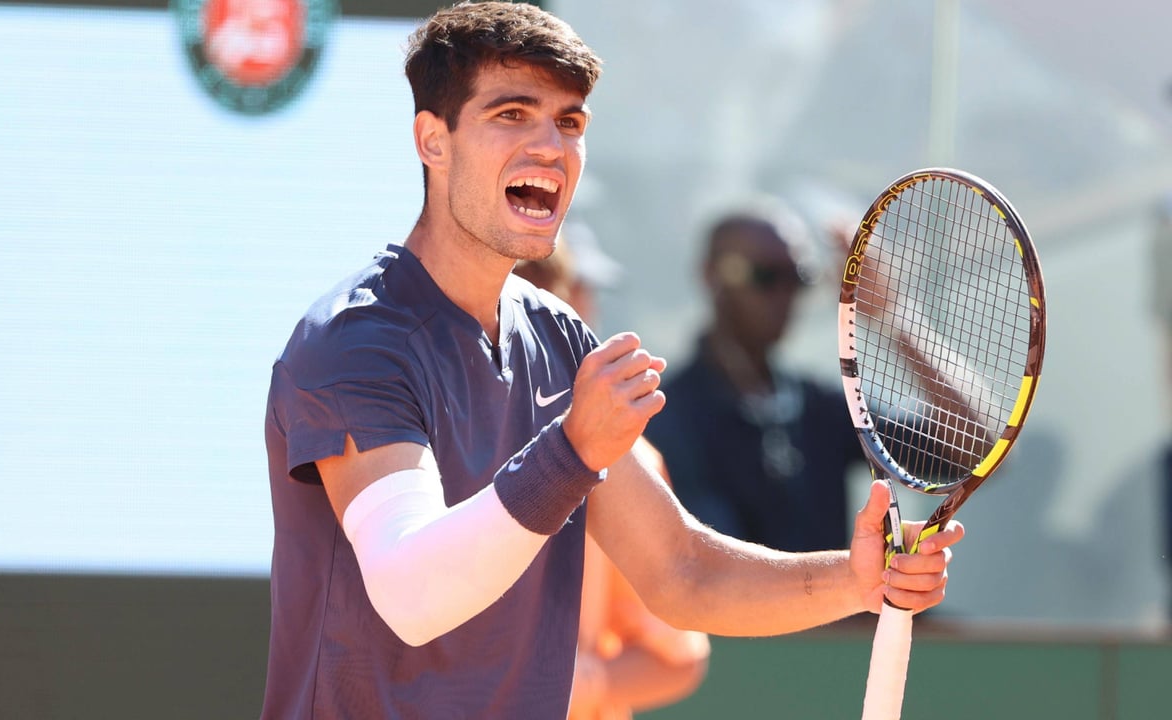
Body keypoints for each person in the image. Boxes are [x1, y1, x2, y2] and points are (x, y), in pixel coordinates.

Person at [260, 4, 963, 719]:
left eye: (569, 123)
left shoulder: (560, 338)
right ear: (431, 141)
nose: (550, 147)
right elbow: (411, 596)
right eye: (512, 114)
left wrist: (855, 579)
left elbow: (681, 571)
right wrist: (570, 452)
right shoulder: (352, 344)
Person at [513, 228, 711, 719]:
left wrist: (579, 682)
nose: (581, 311)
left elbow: (677, 658)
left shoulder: (627, 455)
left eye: (576, 293)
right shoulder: (425, 425)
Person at [645, 203, 865, 553]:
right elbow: (715, 565)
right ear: (711, 275)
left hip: (838, 605)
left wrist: (893, 314)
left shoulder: (819, 405)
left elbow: (972, 448)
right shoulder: (667, 416)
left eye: (798, 277)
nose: (785, 295)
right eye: (765, 276)